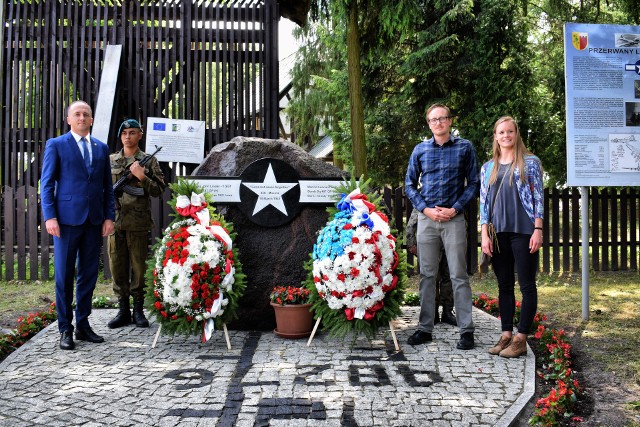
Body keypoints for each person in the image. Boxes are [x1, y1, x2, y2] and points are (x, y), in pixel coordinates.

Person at [41, 100, 115, 351]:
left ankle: (83, 324)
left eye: (86, 114)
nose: (82, 117)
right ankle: (65, 328)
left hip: (94, 221)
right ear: (69, 120)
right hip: (65, 222)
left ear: (91, 120)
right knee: (64, 276)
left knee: (89, 274)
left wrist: (108, 217)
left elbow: (107, 188)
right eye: (77, 114)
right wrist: (49, 216)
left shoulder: (101, 148)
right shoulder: (56, 145)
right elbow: (47, 183)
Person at [405, 103, 479, 350]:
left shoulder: (464, 147)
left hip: (453, 219)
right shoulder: (420, 150)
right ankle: (425, 328)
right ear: (428, 123)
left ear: (449, 121)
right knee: (427, 275)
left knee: (458, 275)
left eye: (442, 118)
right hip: (427, 219)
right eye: (433, 120)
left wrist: (456, 208)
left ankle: (466, 331)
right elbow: (409, 185)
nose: (438, 123)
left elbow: (473, 183)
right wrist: (425, 209)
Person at [480, 116, 544, 358]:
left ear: (516, 134)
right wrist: (484, 234)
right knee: (504, 285)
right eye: (501, 132)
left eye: (510, 131)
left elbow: (538, 197)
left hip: (524, 231)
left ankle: (521, 338)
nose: (506, 136)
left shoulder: (530, 163)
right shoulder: (488, 167)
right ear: (495, 137)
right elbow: (484, 204)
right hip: (498, 234)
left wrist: (538, 229)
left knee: (527, 285)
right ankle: (506, 334)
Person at [108, 119, 166, 329]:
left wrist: (142, 177)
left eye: (132, 132)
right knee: (117, 267)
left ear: (140, 135)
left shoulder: (148, 161)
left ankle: (139, 310)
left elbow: (158, 191)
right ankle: (123, 310)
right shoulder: (111, 160)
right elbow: (103, 191)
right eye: (124, 133)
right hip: (115, 223)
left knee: (139, 268)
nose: (127, 136)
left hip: (138, 223)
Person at [405, 209, 456, 326]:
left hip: (449, 241)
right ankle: (432, 313)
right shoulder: (425, 196)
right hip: (430, 243)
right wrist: (411, 242)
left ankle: (447, 312)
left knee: (449, 277)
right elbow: (412, 222)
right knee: (431, 278)